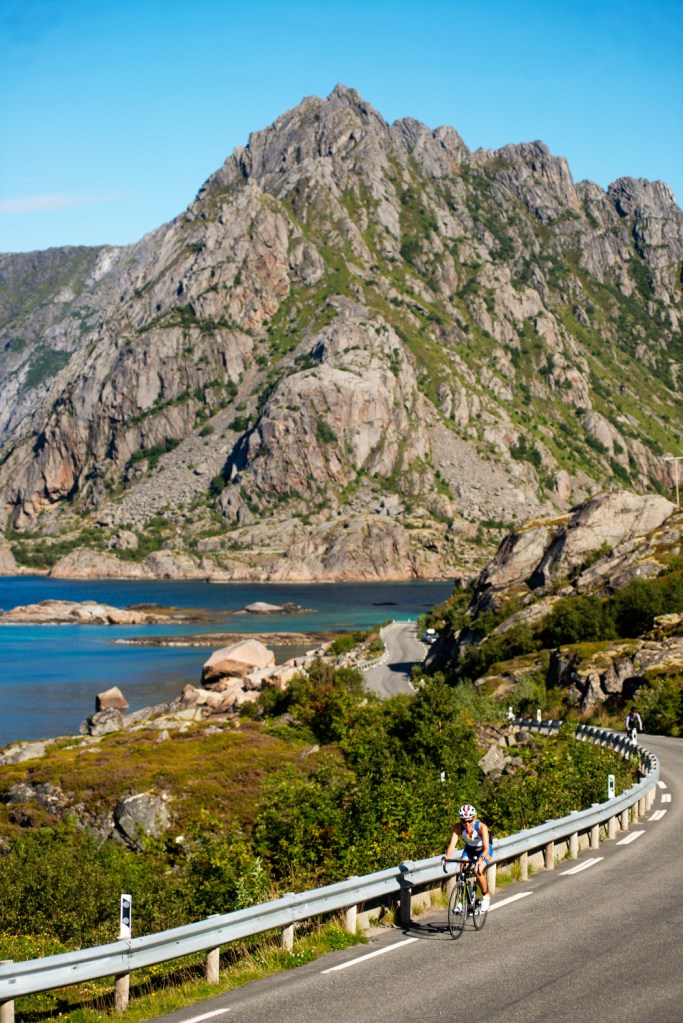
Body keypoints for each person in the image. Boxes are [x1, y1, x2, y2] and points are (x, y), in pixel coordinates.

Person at [442, 803, 492, 911]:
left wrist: (481, 858)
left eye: (469, 820)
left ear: (474, 818)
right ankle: (460, 901)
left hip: (483, 850)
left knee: (477, 870)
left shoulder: (481, 827)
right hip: (469, 850)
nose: (467, 823)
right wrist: (446, 857)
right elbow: (452, 845)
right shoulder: (457, 827)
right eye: (464, 821)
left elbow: (487, 848)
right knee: (462, 871)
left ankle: (486, 897)